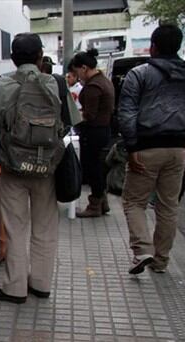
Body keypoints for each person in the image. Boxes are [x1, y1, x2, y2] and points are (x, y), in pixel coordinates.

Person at [0, 33, 70, 304]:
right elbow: (69, 124)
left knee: (15, 227)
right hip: (47, 168)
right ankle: (41, 284)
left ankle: (15, 288)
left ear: (12, 58)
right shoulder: (56, 84)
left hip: (13, 168)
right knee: (44, 226)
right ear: (41, 57)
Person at [119, 23, 185, 274]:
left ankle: (142, 250)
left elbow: (127, 113)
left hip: (145, 146)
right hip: (178, 148)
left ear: (153, 47)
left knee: (134, 202)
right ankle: (161, 260)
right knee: (168, 205)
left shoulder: (140, 74)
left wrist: (131, 147)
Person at [71, 49, 116, 218]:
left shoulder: (93, 86)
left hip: (93, 132)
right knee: (97, 167)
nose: (78, 76)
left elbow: (88, 114)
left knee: (92, 169)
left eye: (77, 72)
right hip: (103, 130)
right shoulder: (104, 81)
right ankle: (102, 202)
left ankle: (95, 204)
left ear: (84, 68)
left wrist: (73, 117)